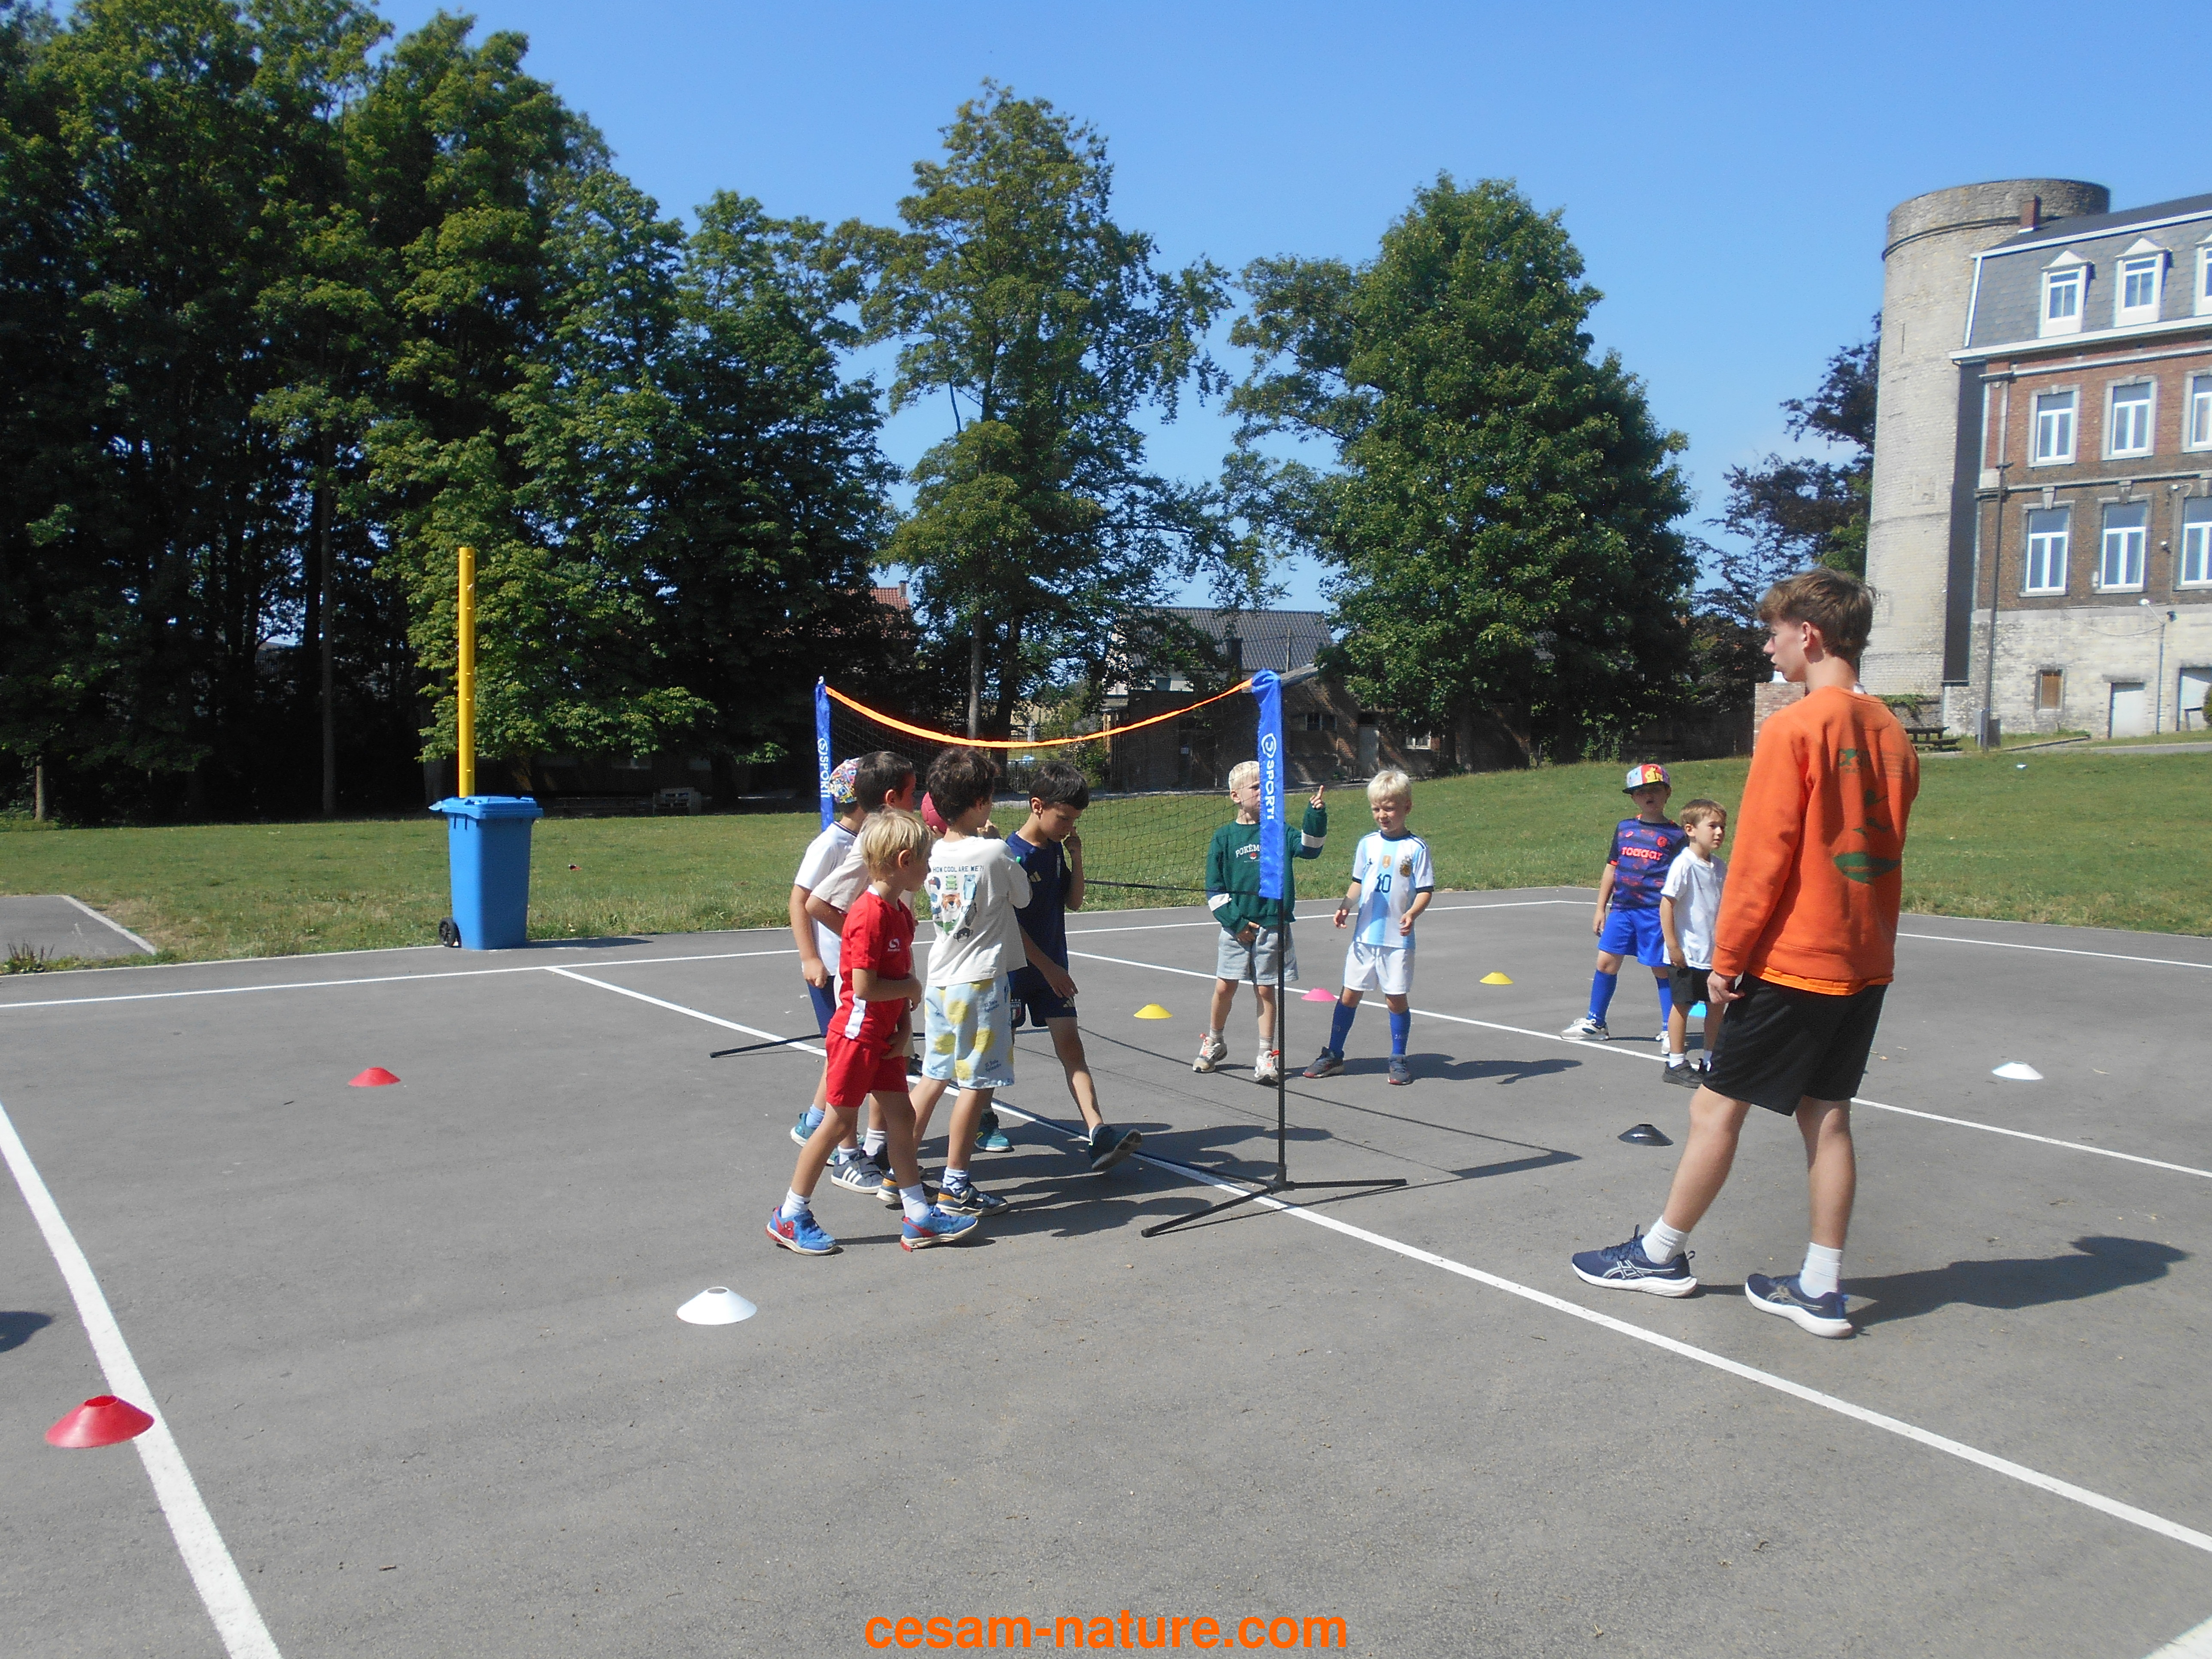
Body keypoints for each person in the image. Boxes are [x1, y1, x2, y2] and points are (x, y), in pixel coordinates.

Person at [1569, 568, 1918, 1339]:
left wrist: (1725, 961)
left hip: (1796, 959)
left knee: (1713, 1105)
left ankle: (1659, 1255)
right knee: (1826, 1116)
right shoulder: (1891, 732)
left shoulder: (1795, 728)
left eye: (1774, 632)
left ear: (1810, 634)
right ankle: (1819, 1285)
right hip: (1863, 958)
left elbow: (1762, 859)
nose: (1768, 646)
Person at [767, 810, 978, 1255]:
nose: (929, 868)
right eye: (926, 859)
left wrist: (904, 1028)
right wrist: (913, 990)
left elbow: (896, 977)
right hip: (856, 1037)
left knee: (902, 1119)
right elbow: (864, 986)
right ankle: (790, 1214)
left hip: (883, 1037)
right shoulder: (868, 915)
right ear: (904, 861)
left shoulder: (899, 913)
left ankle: (918, 1217)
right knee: (837, 1124)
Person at [1004, 760, 1144, 1171]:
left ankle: (1098, 1131)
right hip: (1015, 973)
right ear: (1037, 806)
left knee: (1072, 1048)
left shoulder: (1054, 849)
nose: (1069, 827)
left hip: (1053, 971)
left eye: (1075, 821)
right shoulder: (1012, 855)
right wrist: (1048, 968)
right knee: (998, 1054)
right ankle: (984, 1119)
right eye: (1063, 818)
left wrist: (1076, 858)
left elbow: (1074, 901)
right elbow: (1009, 925)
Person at [917, 746, 1030, 1216]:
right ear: (981, 803)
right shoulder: (994, 851)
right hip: (981, 983)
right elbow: (1023, 897)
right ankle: (955, 1184)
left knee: (934, 1076)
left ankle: (894, 1166)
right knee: (976, 1084)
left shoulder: (933, 852)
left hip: (940, 980)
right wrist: (1000, 842)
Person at [799, 751, 920, 1189]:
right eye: (911, 793)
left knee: (894, 1094)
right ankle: (843, 1160)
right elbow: (815, 902)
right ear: (891, 798)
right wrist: (862, 941)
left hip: (889, 988)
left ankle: (891, 1172)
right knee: (844, 1098)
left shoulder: (900, 857)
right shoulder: (871, 848)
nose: (917, 799)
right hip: (863, 992)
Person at [1193, 763, 1328, 1088]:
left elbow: (1311, 849)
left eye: (1268, 787)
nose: (1264, 793)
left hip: (1272, 926)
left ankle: (1267, 1054)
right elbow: (1214, 889)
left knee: (1266, 989)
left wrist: (1315, 815)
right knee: (1224, 987)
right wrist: (1236, 922)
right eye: (1256, 787)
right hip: (1236, 929)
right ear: (1235, 796)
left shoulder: (1279, 831)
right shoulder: (1224, 838)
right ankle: (1215, 1041)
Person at [1302, 771, 1433, 1087]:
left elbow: (1426, 890)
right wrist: (1345, 905)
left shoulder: (1416, 848)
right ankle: (1334, 1054)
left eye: (1389, 808)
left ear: (1407, 807)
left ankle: (1398, 1058)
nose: (1382, 815)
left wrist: (1412, 913)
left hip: (1397, 940)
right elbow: (1359, 882)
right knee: (1349, 995)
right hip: (1364, 938)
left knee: (1395, 998)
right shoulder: (1368, 844)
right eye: (1376, 809)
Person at [1560, 763, 1686, 1045]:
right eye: (1641, 792)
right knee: (1606, 962)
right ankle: (1596, 1022)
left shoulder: (1677, 836)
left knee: (1660, 968)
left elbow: (1683, 877)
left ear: (1667, 793)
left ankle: (1670, 1028)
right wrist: (1600, 908)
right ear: (1633, 798)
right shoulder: (1625, 828)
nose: (1648, 796)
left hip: (1655, 912)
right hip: (1622, 910)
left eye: (1655, 790)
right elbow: (1612, 868)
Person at [1659, 799, 1729, 1084]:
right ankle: (1676, 1063)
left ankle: (1710, 1061)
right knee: (1682, 1005)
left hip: (1713, 954)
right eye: (1712, 826)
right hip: (1687, 954)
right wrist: (1673, 946)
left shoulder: (1720, 867)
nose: (1719, 832)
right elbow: (1667, 904)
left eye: (1723, 827)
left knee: (1716, 1005)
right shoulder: (1684, 864)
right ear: (1690, 830)